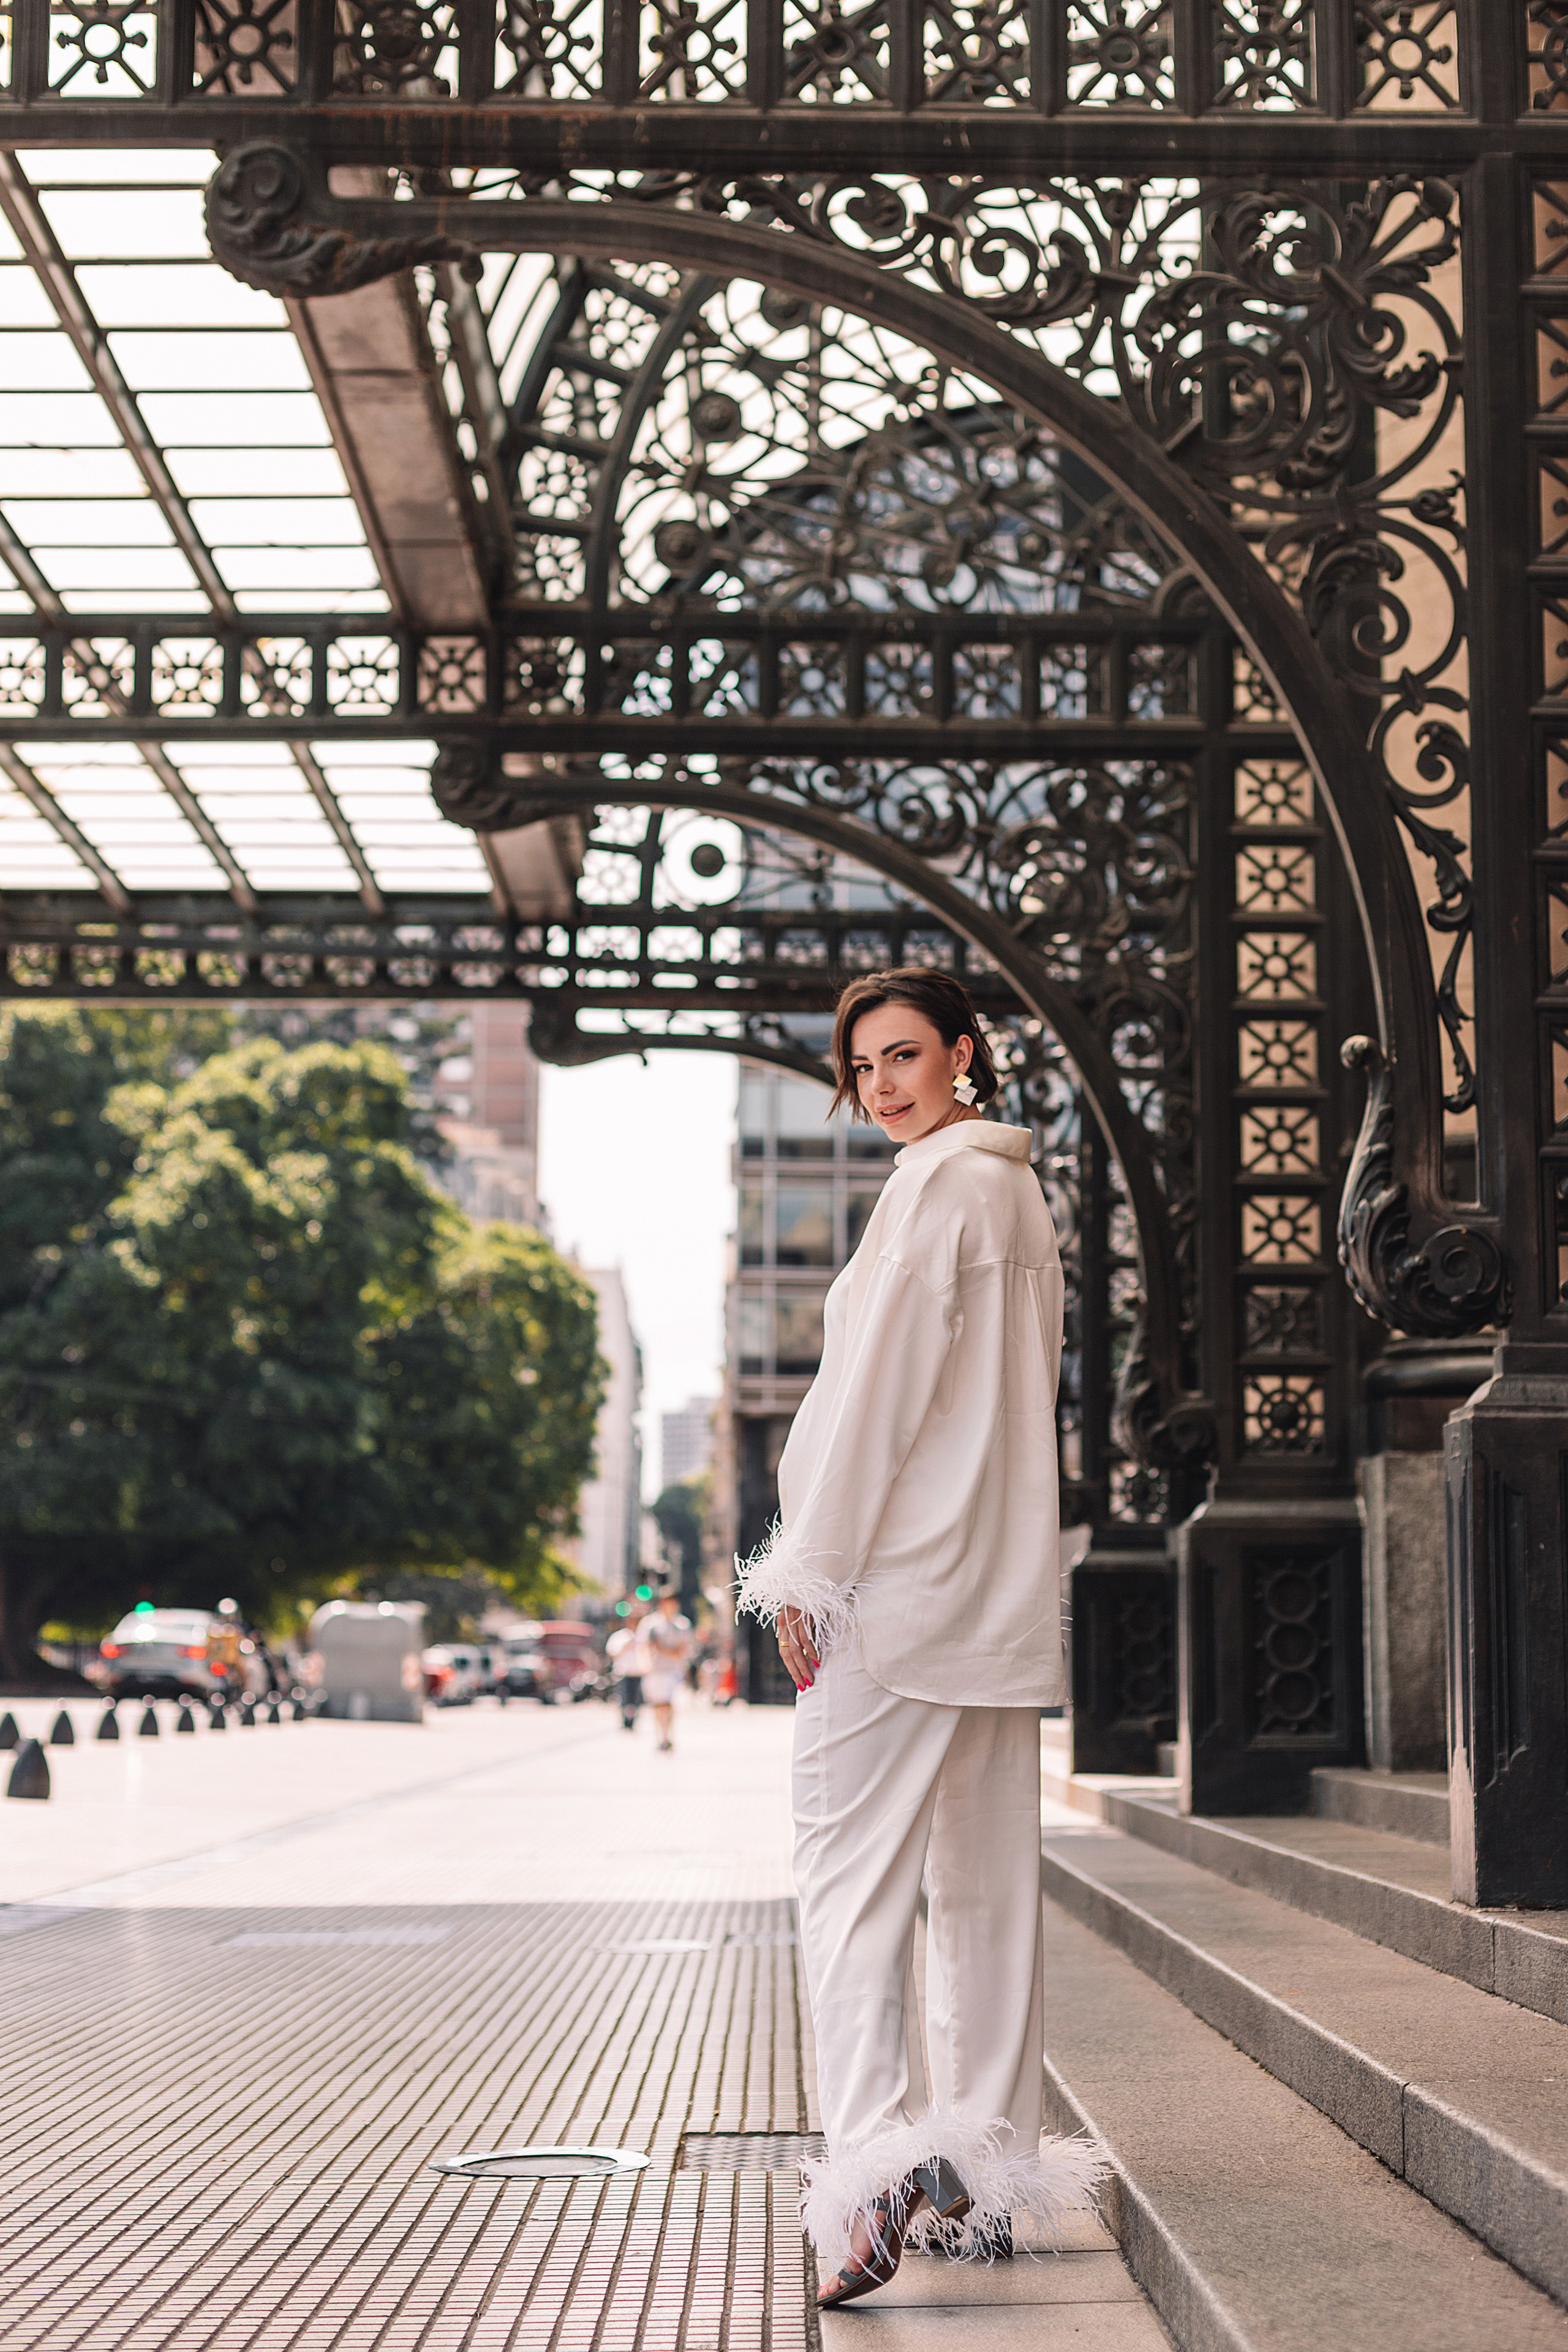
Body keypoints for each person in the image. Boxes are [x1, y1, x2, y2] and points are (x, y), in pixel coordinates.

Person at [736, 968, 1104, 2310]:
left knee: (848, 1894)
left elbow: (871, 1395)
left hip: (891, 1600)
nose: (883, 1085)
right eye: (863, 1066)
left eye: (905, 1056)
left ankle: (871, 2176)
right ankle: (981, 2185)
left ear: (964, 1053)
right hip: (994, 1602)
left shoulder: (933, 1189)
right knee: (989, 1900)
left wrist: (807, 1572)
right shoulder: (1016, 1196)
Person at [640, 1588, 692, 1753]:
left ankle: (666, 1736)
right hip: (654, 1670)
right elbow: (644, 1647)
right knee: (657, 1704)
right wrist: (646, 1664)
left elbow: (681, 1651)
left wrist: (660, 1649)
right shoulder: (650, 1624)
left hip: (673, 1671)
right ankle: (660, 1736)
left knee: (667, 1703)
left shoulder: (682, 1624)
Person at [606, 1606, 647, 1732]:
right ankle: (625, 1722)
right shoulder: (619, 1637)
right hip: (623, 1673)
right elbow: (612, 1653)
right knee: (624, 1699)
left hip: (639, 1673)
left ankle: (633, 1722)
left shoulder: (643, 1637)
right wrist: (626, 1646)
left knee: (637, 1701)